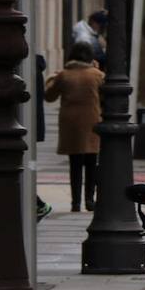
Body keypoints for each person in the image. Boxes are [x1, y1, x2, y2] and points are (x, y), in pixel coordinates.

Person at [45, 42, 104, 212]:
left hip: (70, 123)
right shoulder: (96, 74)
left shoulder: (64, 75)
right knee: (92, 163)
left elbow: (49, 96)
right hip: (92, 122)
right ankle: (90, 200)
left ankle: (75, 202)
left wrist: (51, 78)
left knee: (75, 164)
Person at [34, 53, 52, 221]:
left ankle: (38, 204)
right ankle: (38, 204)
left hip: (26, 124)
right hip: (32, 124)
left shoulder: (28, 65)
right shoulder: (35, 66)